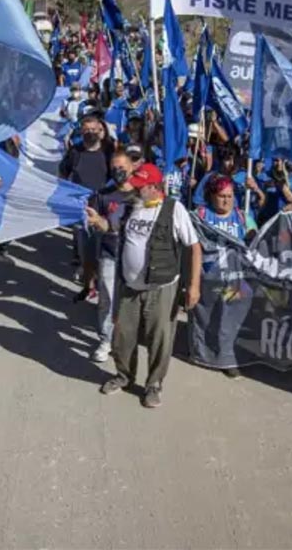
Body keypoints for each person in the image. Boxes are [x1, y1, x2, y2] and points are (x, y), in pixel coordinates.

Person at [97, 163, 202, 408]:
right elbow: (111, 227)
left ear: (154, 188)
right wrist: (97, 221)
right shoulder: (128, 206)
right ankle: (124, 376)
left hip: (162, 287)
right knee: (123, 336)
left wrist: (194, 286)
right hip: (129, 286)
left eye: (140, 187)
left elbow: (194, 247)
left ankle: (154, 384)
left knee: (159, 338)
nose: (134, 190)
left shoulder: (174, 209)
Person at [84, 150, 138, 363]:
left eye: (122, 167)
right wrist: (97, 222)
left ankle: (127, 340)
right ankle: (106, 340)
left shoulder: (142, 195)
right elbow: (95, 222)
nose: (118, 172)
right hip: (109, 254)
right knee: (107, 299)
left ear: (132, 167)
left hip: (135, 258)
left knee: (131, 301)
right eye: (114, 168)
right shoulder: (103, 194)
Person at [59, 114, 115, 302]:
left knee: (103, 249)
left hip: (104, 208)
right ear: (81, 131)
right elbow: (63, 173)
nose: (90, 133)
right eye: (87, 130)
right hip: (81, 208)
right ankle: (89, 285)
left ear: (100, 130)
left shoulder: (109, 150)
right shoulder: (75, 152)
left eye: (94, 130)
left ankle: (101, 284)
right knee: (85, 250)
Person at [196, 177, 256, 242]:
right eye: (222, 196)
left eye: (229, 196)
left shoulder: (243, 218)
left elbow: (254, 242)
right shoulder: (200, 215)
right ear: (212, 196)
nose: (226, 201)